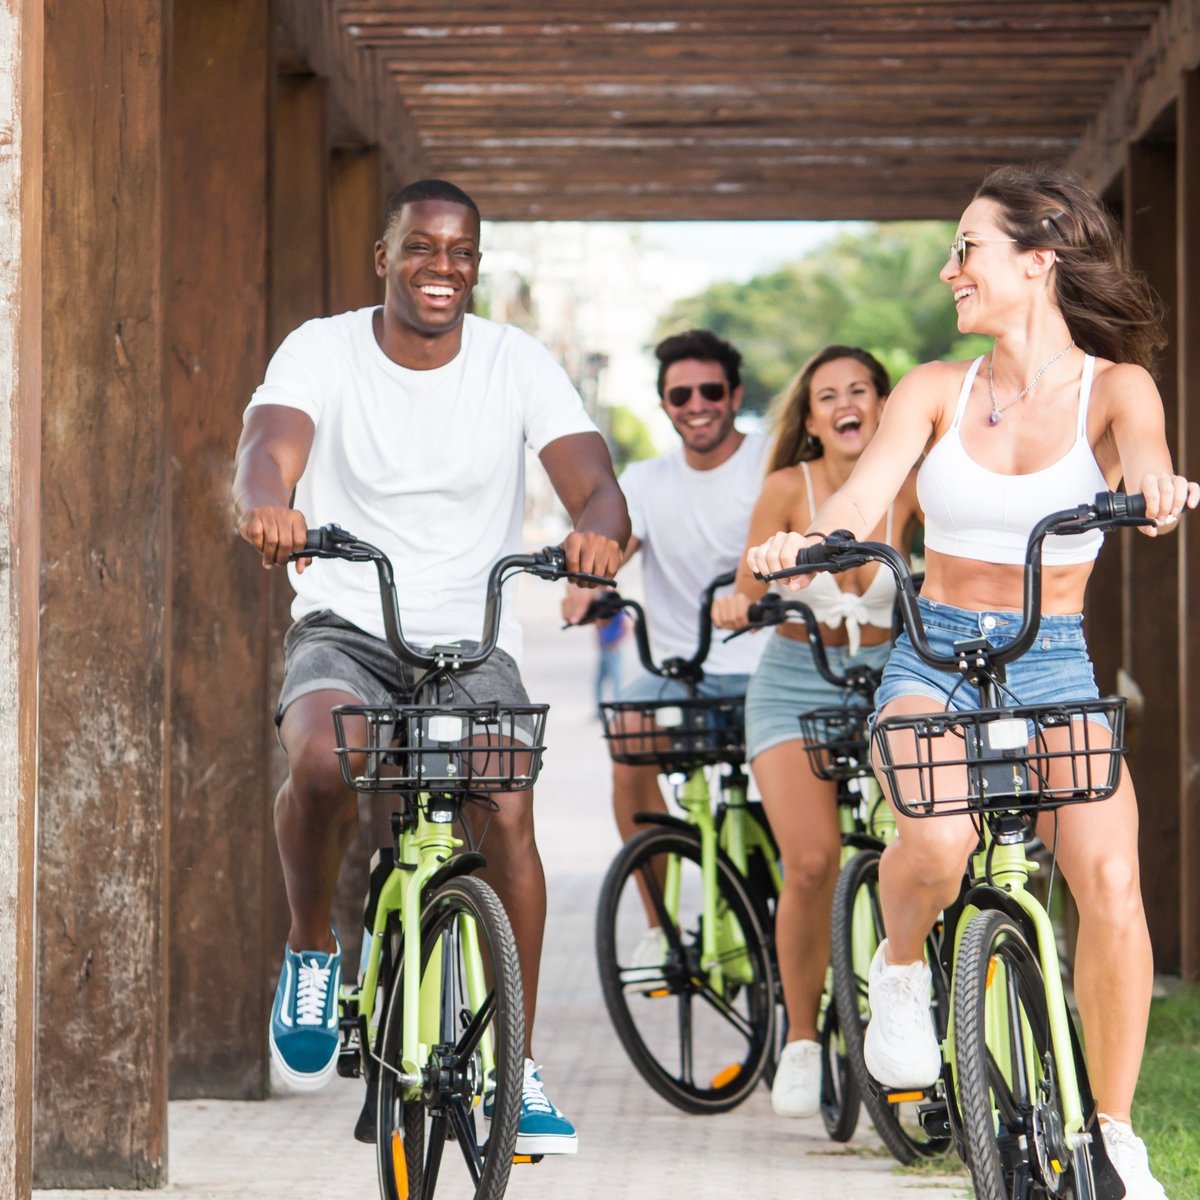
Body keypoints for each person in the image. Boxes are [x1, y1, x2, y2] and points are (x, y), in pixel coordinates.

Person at [749, 165, 1198, 1198]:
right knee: (939, 843)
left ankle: (1114, 1132)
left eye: (968, 248)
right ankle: (901, 967)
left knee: (1111, 883)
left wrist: (1158, 491)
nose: (952, 268)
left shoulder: (1114, 386)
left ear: (1038, 261)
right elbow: (864, 503)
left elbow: (1144, 464)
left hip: (1053, 657)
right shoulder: (935, 390)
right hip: (931, 653)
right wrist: (805, 545)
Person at [232, 178, 628, 1156]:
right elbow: (264, 449)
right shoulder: (320, 349)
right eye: (420, 248)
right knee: (323, 760)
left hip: (473, 632)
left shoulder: (515, 360)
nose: (440, 268)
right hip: (350, 618)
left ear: (476, 266)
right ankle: (314, 948)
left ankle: (518, 1061)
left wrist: (599, 537)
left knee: (507, 807)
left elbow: (595, 483)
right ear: (384, 256)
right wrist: (266, 505)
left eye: (460, 253)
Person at [712, 346, 919, 1118]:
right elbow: (744, 585)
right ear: (811, 419)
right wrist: (740, 603)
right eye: (827, 395)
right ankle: (801, 1039)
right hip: (796, 683)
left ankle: (909, 1005)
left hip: (895, 681)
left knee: (921, 846)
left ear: (884, 404)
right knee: (810, 861)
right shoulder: (784, 488)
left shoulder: (914, 485)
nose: (845, 403)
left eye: (859, 389)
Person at [564, 330, 769, 968]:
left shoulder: (769, 461)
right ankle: (658, 925)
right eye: (681, 394)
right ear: (665, 406)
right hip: (680, 673)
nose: (697, 404)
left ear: (734, 396)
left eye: (711, 390)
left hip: (767, 669)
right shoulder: (646, 480)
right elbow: (611, 552)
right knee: (627, 745)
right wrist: (585, 586)